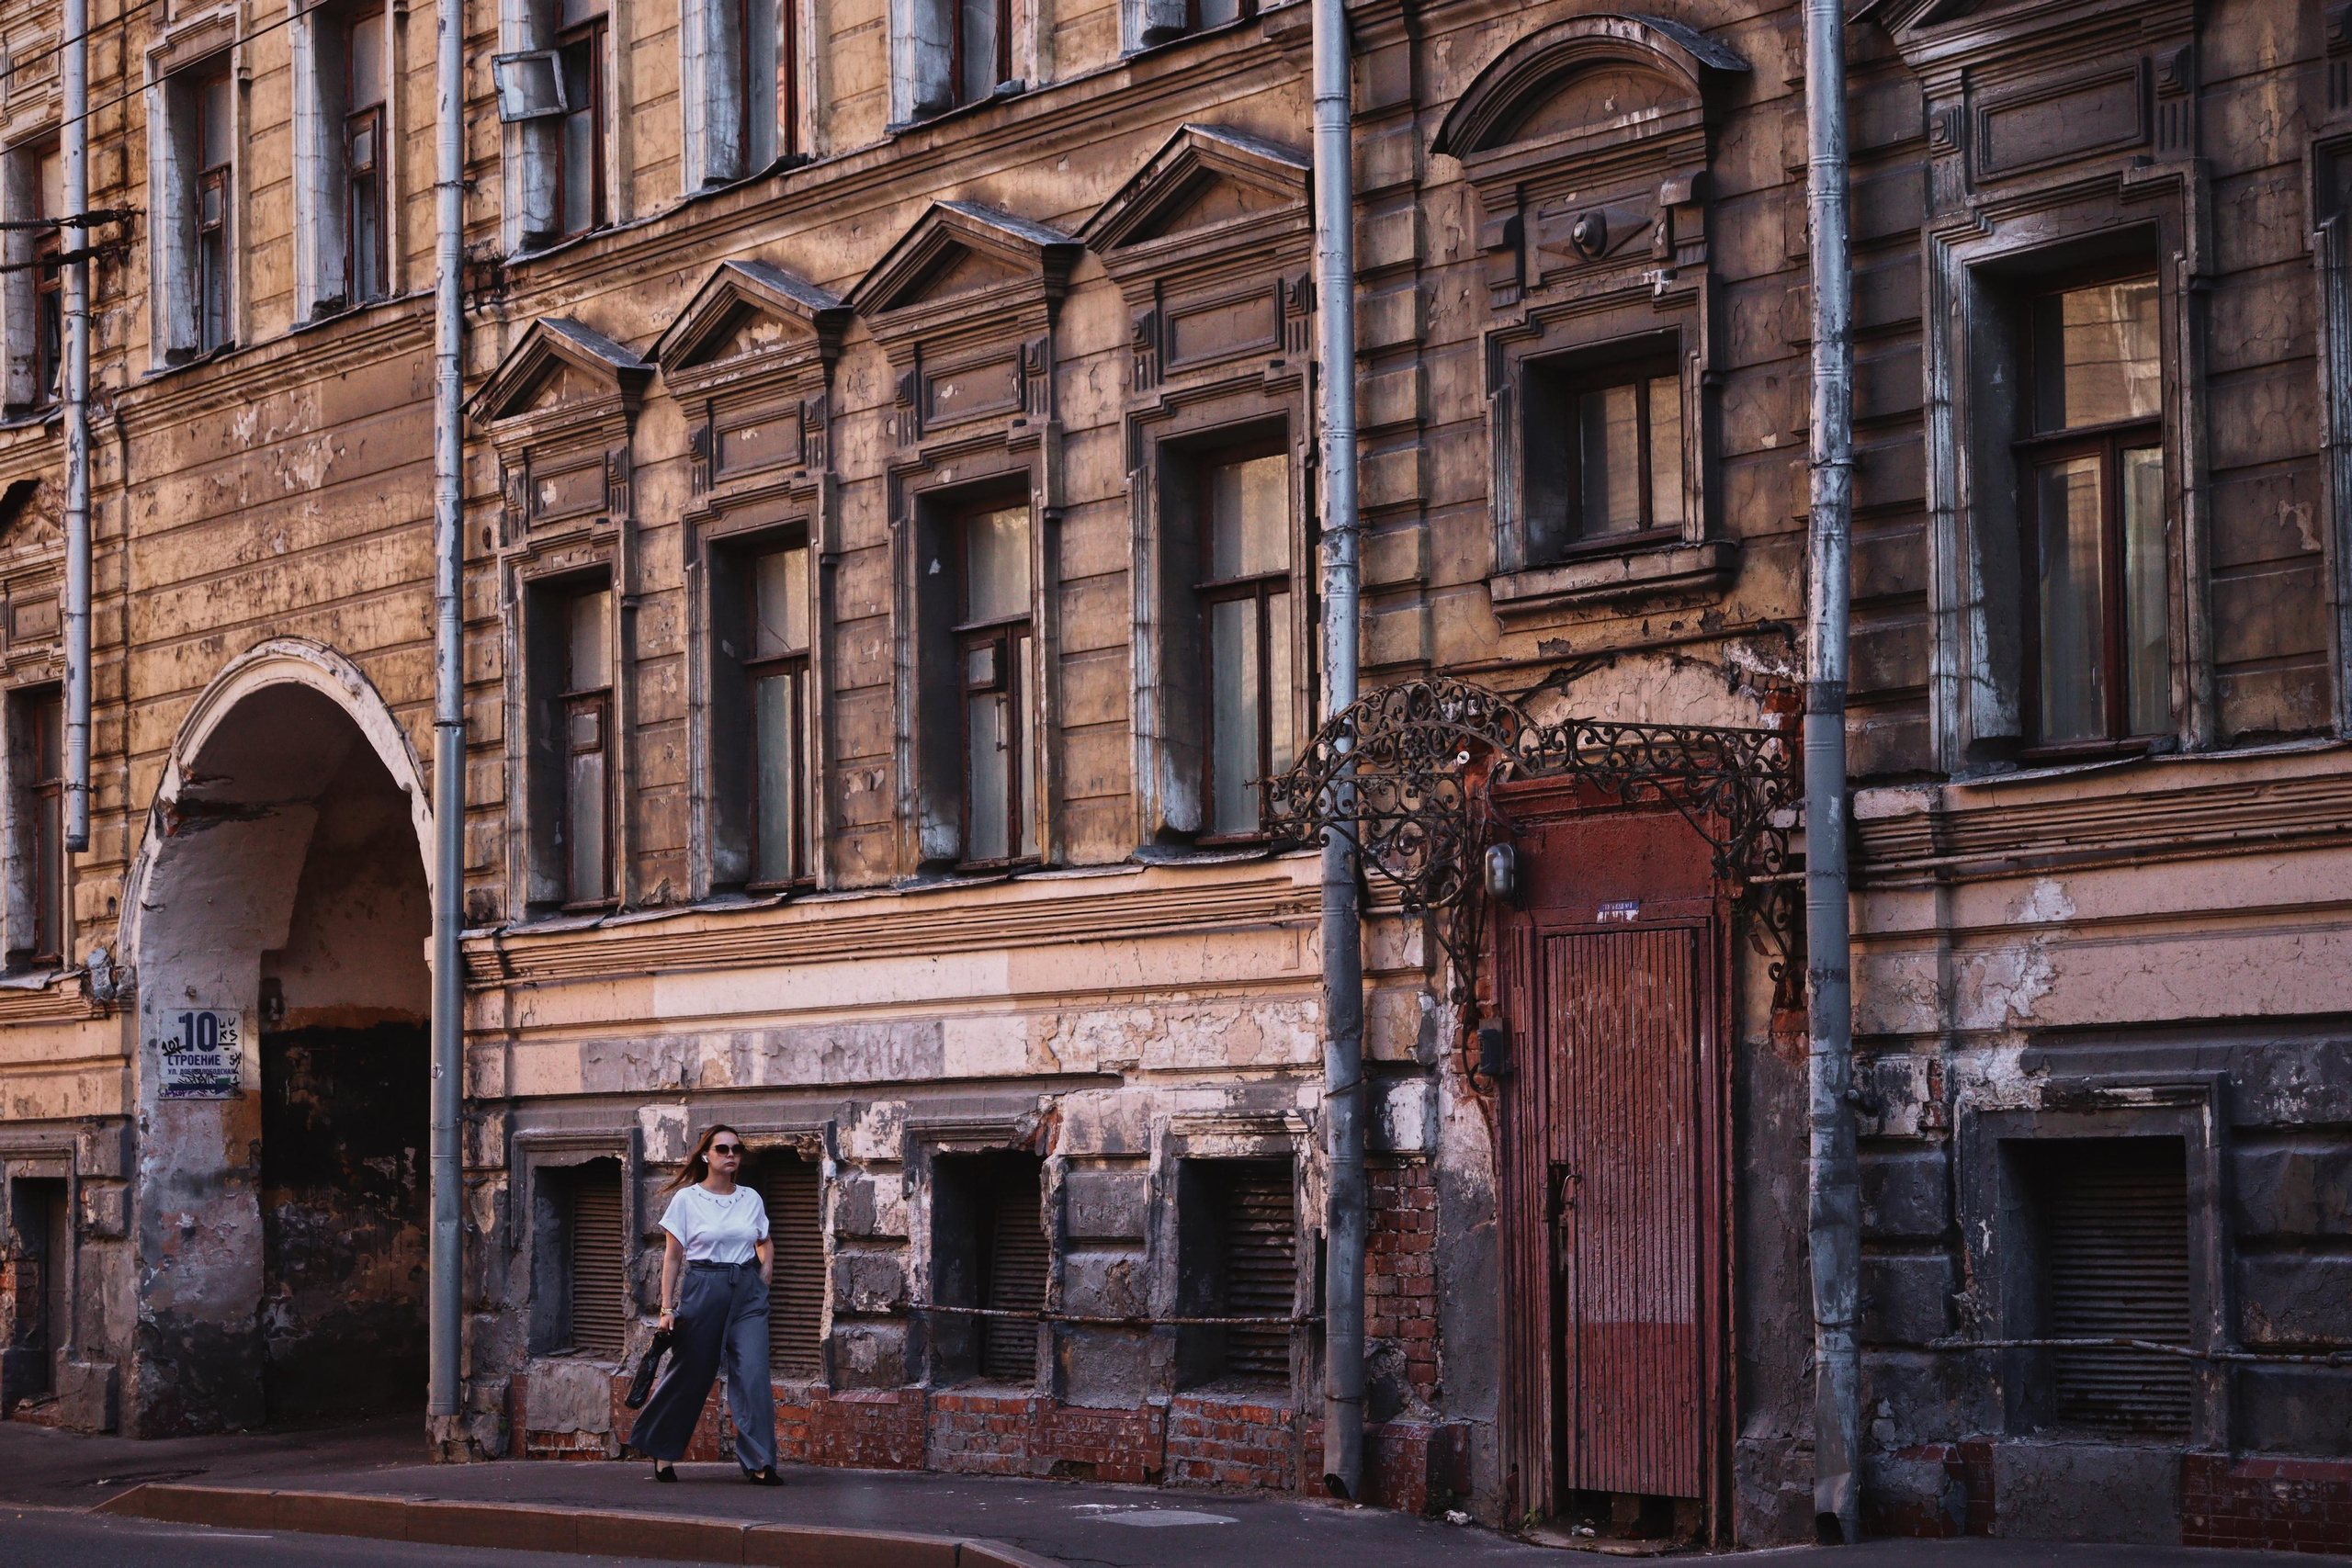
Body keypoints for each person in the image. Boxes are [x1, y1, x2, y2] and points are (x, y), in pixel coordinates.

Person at [627, 1123, 782, 1484]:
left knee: (755, 1374)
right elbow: (672, 1257)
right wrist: (666, 1309)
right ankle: (662, 1450)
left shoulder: (751, 1198)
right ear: (706, 1156)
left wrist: (766, 1268)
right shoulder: (687, 1199)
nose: (732, 1156)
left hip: (747, 1292)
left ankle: (760, 1462)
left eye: (737, 1150)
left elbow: (763, 1240)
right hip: (704, 1287)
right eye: (723, 1149)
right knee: (691, 1372)